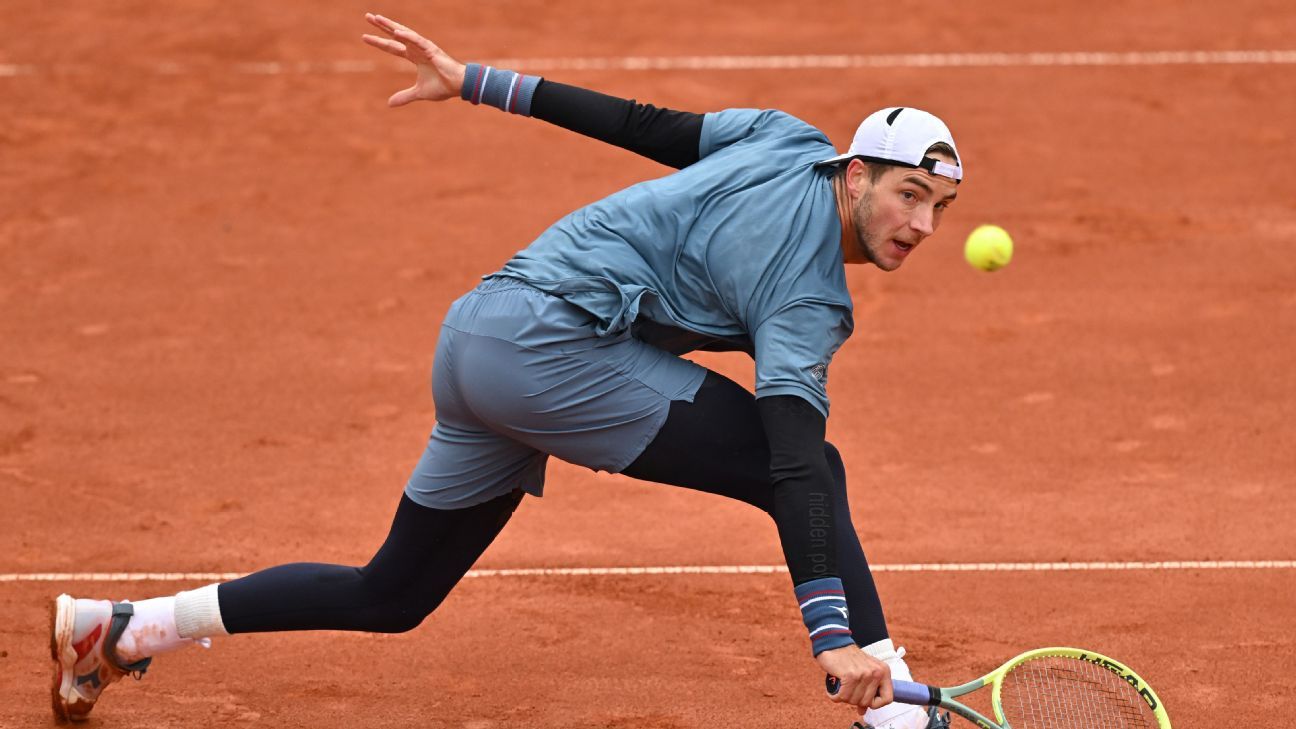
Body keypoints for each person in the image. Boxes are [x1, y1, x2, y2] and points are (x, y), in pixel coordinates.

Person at [49, 13, 961, 729]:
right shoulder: (810, 297)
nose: (920, 225)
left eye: (940, 208)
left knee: (393, 593)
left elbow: (643, 125)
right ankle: (887, 703)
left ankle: (119, 627)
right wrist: (835, 638)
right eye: (908, 194)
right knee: (810, 467)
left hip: (480, 332)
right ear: (855, 174)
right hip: (549, 351)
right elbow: (795, 464)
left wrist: (473, 81)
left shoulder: (776, 136)